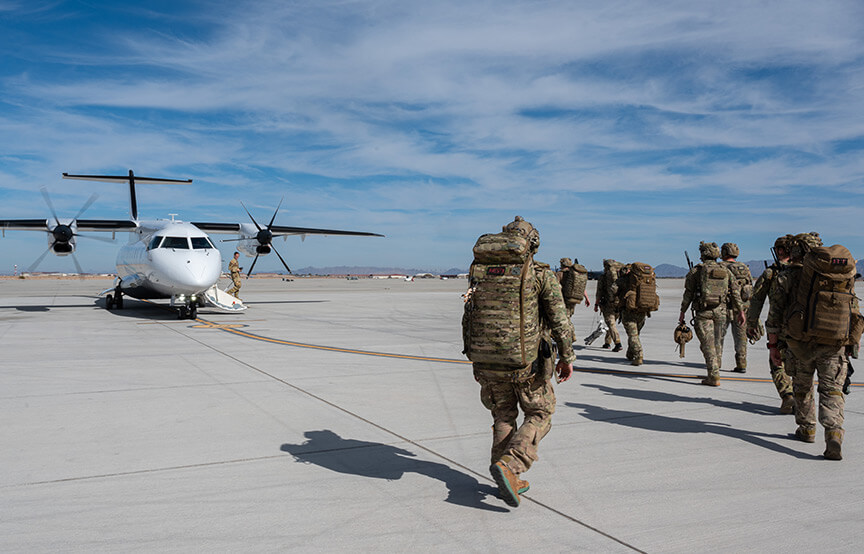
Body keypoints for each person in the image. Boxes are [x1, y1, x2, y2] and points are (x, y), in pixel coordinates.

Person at [463, 216, 576, 507]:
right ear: (532, 243)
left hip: (486, 361)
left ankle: (503, 480)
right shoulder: (539, 273)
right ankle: (510, 467)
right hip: (526, 365)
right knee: (541, 413)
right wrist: (567, 357)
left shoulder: (480, 271)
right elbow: (560, 322)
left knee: (503, 416)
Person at [766, 234, 857, 460]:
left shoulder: (787, 276)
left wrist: (773, 345)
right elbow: (852, 309)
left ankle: (807, 428)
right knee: (832, 389)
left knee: (802, 385)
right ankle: (834, 433)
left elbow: (775, 314)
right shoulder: (839, 275)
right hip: (833, 342)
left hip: (799, 343)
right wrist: (851, 344)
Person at [679, 241, 745, 386]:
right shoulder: (725, 270)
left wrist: (682, 312)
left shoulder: (696, 271)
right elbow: (735, 292)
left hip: (704, 313)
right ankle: (716, 367)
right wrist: (740, 311)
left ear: (703, 254)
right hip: (721, 312)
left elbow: (688, 294)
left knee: (708, 344)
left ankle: (713, 375)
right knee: (717, 342)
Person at [746, 236, 795, 414]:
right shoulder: (805, 272)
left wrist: (752, 323)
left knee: (776, 363)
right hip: (802, 328)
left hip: (778, 326)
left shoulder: (771, 273)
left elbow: (757, 299)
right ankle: (802, 401)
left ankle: (787, 395)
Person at [719, 243, 753, 373]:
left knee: (719, 337)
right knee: (741, 338)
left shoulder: (720, 267)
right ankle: (741, 363)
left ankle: (717, 363)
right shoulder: (744, 268)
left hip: (724, 308)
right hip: (742, 310)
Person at [557, 257, 590, 341]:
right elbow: (582, 288)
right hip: (574, 299)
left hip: (565, 299)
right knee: (568, 317)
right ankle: (571, 335)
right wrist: (587, 298)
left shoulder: (559, 274)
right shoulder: (574, 274)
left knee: (566, 319)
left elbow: (556, 287)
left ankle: (572, 335)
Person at [594, 259, 623, 352]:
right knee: (611, 324)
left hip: (608, 304)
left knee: (611, 324)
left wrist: (596, 304)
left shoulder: (603, 277)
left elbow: (599, 292)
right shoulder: (620, 277)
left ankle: (618, 343)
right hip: (620, 304)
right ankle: (607, 342)